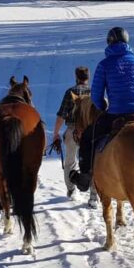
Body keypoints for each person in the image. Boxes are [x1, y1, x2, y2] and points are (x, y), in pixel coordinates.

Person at [69, 27, 134, 191]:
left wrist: (103, 109)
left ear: (110, 42)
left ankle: (84, 178)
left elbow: (96, 97)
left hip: (117, 114)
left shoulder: (104, 65)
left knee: (87, 137)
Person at [52, 66, 98, 204]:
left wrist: (55, 133)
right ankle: (94, 195)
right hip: (92, 131)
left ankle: (71, 190)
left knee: (70, 161)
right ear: (88, 78)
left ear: (76, 77)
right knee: (94, 163)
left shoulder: (70, 92)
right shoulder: (94, 92)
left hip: (73, 130)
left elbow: (62, 114)